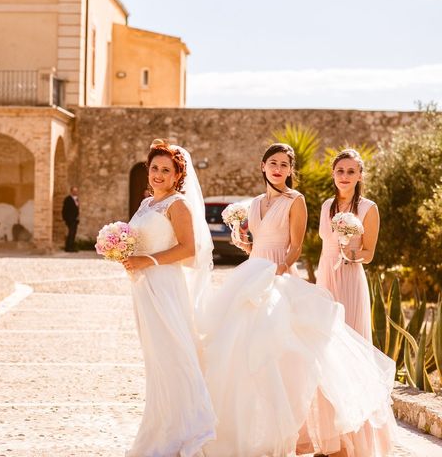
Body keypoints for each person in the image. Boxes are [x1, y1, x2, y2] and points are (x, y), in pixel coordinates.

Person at [198, 143, 396, 457]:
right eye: (272, 163)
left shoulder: (307, 201)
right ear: (262, 166)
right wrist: (242, 241)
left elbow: (300, 249)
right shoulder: (318, 205)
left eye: (284, 164)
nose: (278, 169)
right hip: (278, 276)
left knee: (337, 355)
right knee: (255, 352)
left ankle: (351, 444)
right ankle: (311, 439)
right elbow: (259, 246)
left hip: (321, 277)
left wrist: (347, 250)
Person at [122, 139, 216, 456]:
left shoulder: (178, 205)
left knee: (174, 357)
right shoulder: (146, 204)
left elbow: (189, 250)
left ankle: (186, 432)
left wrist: (147, 261)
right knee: (156, 363)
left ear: (178, 175)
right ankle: (162, 428)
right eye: (154, 168)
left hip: (165, 287)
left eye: (166, 170)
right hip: (143, 289)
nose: (159, 174)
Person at [316, 149, 378, 340]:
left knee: (348, 334)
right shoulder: (326, 205)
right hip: (325, 274)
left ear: (360, 175)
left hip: (350, 276)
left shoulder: (368, 208)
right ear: (333, 174)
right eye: (340, 171)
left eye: (351, 171)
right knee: (324, 335)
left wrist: (348, 254)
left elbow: (368, 254)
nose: (344, 176)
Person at [62, 186, 79, 252]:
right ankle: (68, 247)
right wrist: (66, 219)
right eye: (74, 191)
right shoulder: (68, 199)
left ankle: (71, 246)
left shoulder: (76, 199)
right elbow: (64, 210)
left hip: (75, 220)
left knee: (73, 233)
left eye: (76, 191)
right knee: (71, 233)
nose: (75, 192)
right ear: (71, 191)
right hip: (70, 219)